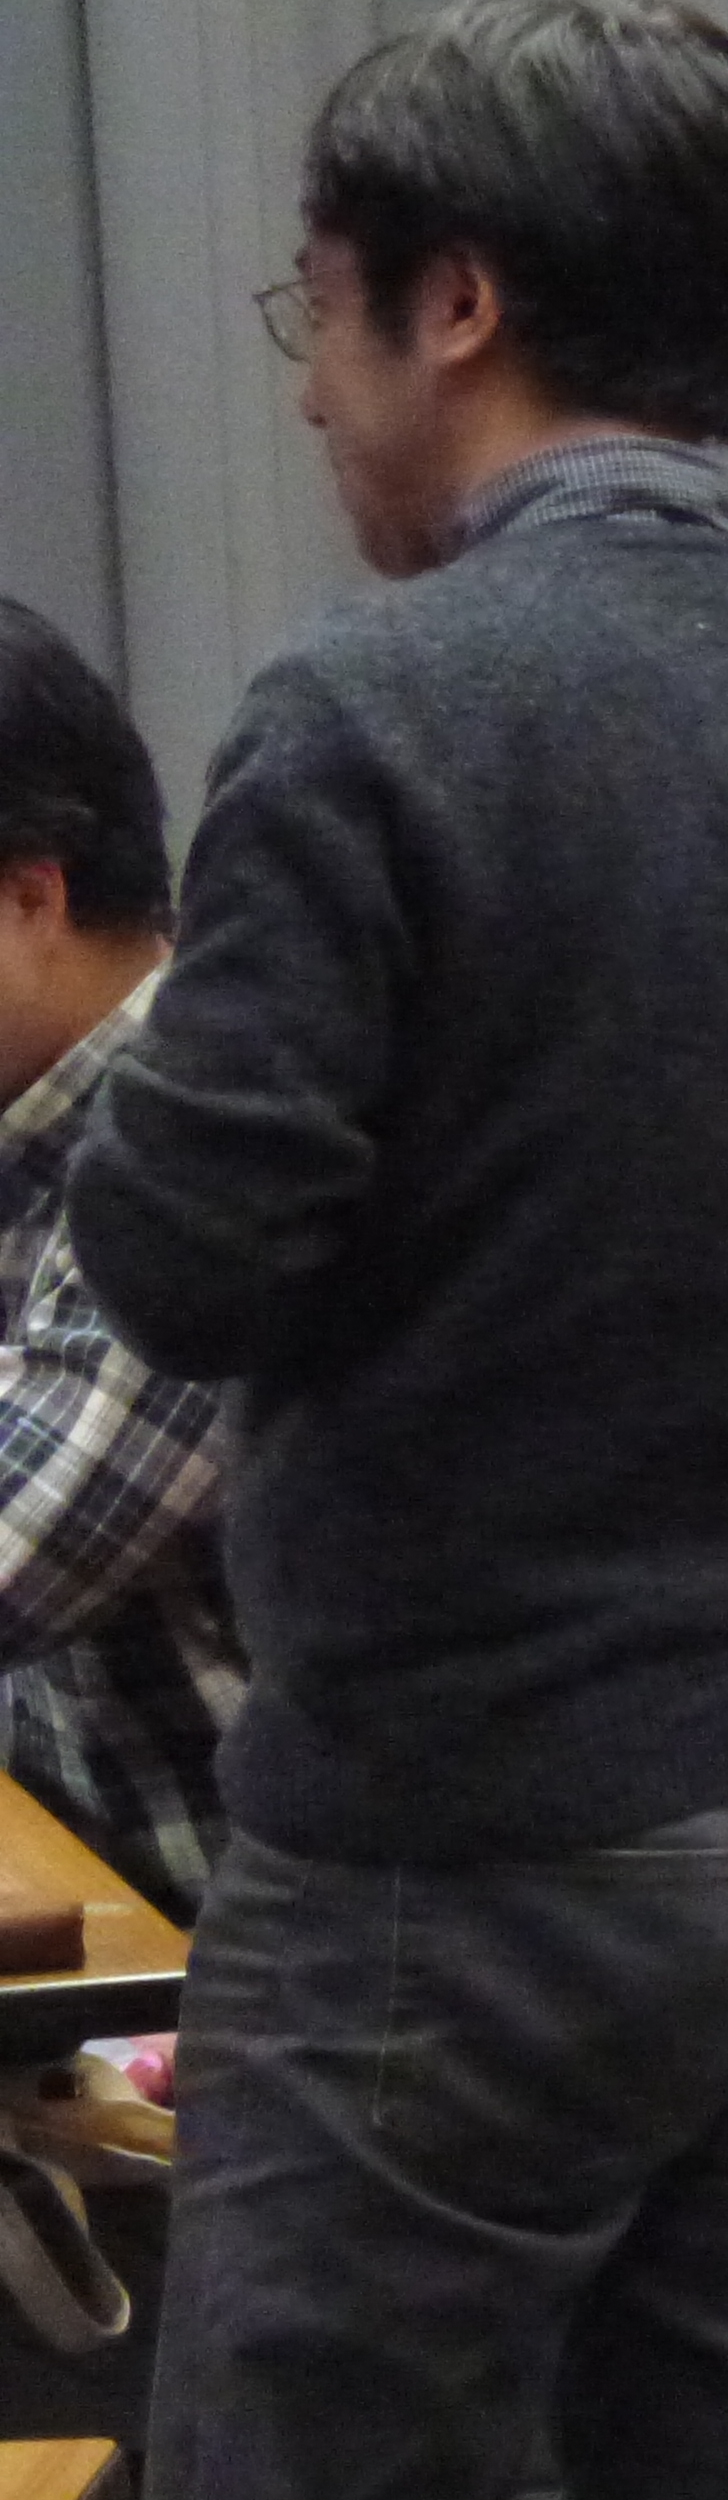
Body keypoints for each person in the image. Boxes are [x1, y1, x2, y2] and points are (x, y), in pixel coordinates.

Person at [70, 0, 728, 2500]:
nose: (311, 392)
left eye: (320, 313)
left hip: (467, 1859)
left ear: (458, 302)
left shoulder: (369, 711)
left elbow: (179, 1258)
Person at [0, 602, 244, 1922]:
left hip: (286, 1974)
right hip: (110, 1908)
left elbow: (15, 1549)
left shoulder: (216, 1125)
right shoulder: (26, 1108)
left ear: (31, 897)